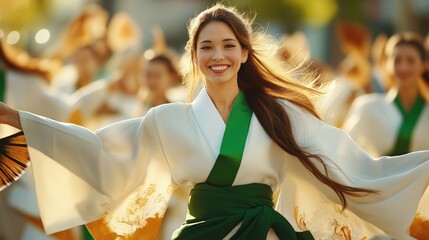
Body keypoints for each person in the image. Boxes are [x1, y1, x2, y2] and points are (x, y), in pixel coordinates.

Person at [1, 4, 429, 239]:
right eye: (207, 47)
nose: (218, 56)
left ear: (245, 54)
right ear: (194, 56)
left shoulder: (281, 116)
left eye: (228, 45)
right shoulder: (166, 120)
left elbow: (354, 168)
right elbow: (99, 151)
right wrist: (16, 117)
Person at [343, 33, 429, 239]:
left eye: (410, 60)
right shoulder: (369, 108)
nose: (403, 67)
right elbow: (346, 154)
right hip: (378, 203)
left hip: (423, 207)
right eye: (397, 60)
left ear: (424, 65)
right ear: (387, 63)